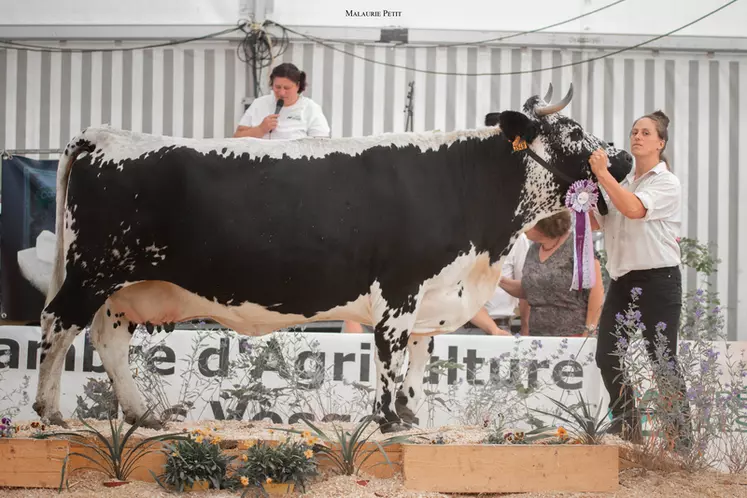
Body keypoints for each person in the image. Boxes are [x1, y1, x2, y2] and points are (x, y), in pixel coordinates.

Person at [589, 110, 688, 445]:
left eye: (646, 132)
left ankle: (681, 440)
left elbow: (634, 210)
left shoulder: (666, 182)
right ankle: (628, 426)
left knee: (662, 361)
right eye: (634, 131)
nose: (637, 137)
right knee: (607, 355)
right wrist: (582, 199)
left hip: (658, 280)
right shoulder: (625, 183)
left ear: (660, 142)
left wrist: (603, 176)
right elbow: (598, 222)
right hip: (622, 281)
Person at [499, 210, 604, 337]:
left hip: (573, 337)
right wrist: (497, 279)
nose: (521, 227)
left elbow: (596, 293)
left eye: (527, 222)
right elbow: (529, 288)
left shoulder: (577, 245)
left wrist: (588, 334)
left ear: (543, 223)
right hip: (537, 338)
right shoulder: (533, 249)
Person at [233, 62, 330, 140]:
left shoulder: (311, 108)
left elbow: (321, 145)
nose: (282, 93)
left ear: (298, 86)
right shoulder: (259, 103)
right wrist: (260, 129)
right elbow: (237, 137)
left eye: (287, 88)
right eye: (277, 87)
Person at [463, 233, 531, 336]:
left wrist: (525, 331)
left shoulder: (517, 237)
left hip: (499, 329)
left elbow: (525, 289)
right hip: (453, 328)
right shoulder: (458, 232)